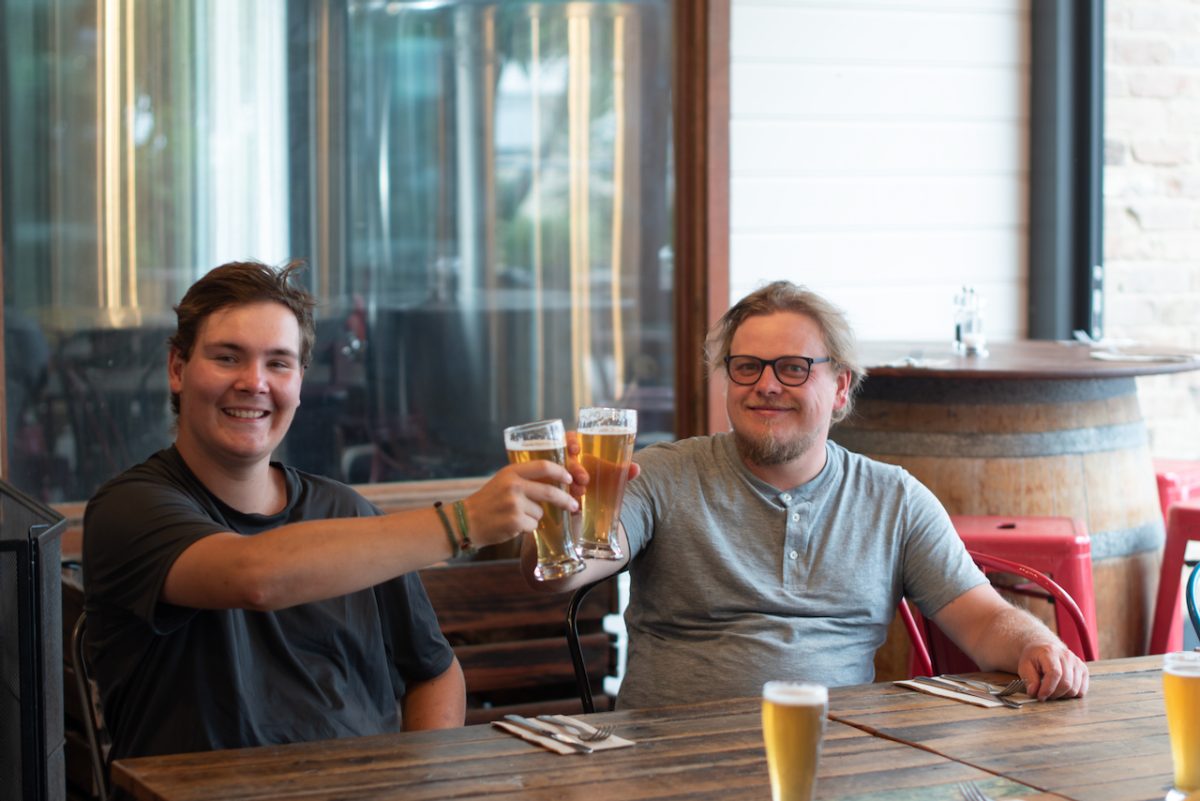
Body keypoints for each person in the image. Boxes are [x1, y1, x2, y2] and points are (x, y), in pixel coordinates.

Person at [83, 260, 579, 760]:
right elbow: (254, 575)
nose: (255, 382)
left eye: (278, 363)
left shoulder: (346, 511)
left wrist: (421, 782)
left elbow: (434, 672)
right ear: (177, 368)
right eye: (228, 358)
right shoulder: (129, 509)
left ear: (299, 382)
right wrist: (463, 523)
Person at [525, 280, 1089, 708]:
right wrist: (564, 512)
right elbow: (559, 573)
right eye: (746, 367)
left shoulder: (894, 499)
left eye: (793, 368)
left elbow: (986, 621)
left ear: (840, 386)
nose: (765, 385)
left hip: (832, 759)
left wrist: (1035, 646)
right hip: (670, 764)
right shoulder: (661, 475)